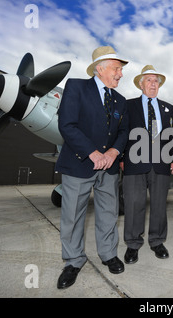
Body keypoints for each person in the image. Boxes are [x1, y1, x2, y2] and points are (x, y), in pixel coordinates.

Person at [55, 46, 129, 289]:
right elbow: (67, 124)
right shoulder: (76, 87)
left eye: (120, 69)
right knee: (72, 216)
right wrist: (92, 152)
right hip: (79, 164)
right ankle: (74, 261)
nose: (120, 74)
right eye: (117, 68)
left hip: (108, 168)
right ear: (100, 68)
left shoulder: (120, 100)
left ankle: (108, 254)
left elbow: (123, 132)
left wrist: (113, 152)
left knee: (108, 213)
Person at [121, 65, 173, 264]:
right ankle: (132, 244)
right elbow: (121, 133)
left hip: (161, 163)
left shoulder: (168, 108)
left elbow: (172, 134)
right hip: (134, 162)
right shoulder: (128, 106)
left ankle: (157, 241)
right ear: (140, 84)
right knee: (134, 204)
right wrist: (121, 157)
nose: (153, 84)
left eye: (156, 81)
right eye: (149, 80)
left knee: (159, 206)